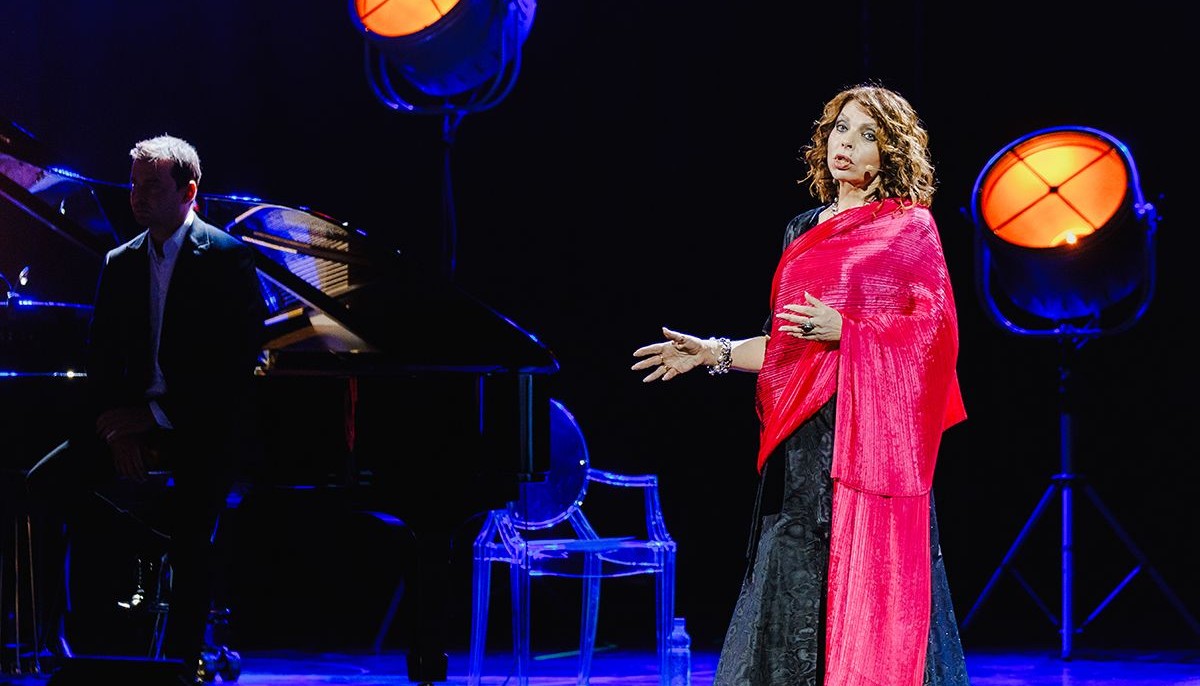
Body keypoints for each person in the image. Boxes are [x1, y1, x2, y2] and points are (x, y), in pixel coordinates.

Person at [631, 84, 971, 686]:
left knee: (869, 586)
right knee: (790, 589)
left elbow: (935, 340)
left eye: (868, 135)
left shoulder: (909, 228)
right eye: (842, 128)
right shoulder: (801, 230)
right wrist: (712, 352)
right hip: (802, 448)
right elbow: (785, 345)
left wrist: (850, 332)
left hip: (869, 444)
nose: (848, 143)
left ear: (889, 154)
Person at [26, 134, 266, 683]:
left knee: (193, 528)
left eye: (152, 186)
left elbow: (232, 367)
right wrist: (120, 431)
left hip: (200, 426)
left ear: (188, 192)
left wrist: (155, 418)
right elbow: (101, 360)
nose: (137, 196)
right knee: (42, 486)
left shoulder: (227, 257)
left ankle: (180, 661)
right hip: (132, 424)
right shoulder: (121, 261)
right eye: (134, 185)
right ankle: (59, 640)